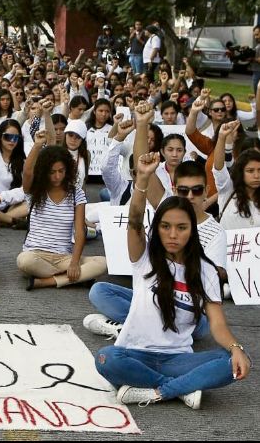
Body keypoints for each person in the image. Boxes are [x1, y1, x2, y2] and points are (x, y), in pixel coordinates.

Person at [92, 151, 250, 410]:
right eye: (165, 226)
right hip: (135, 352)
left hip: (178, 358)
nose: (173, 234)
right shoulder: (145, 257)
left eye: (181, 227)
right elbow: (134, 221)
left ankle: (158, 391)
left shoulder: (206, 269)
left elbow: (217, 323)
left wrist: (235, 347)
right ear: (157, 229)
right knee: (106, 358)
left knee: (234, 361)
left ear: (192, 230)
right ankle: (182, 388)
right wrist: (143, 179)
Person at [16, 132, 107, 289]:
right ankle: (75, 278)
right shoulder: (36, 189)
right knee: (24, 261)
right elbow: (27, 172)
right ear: (44, 171)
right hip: (35, 255)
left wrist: (74, 262)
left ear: (68, 170)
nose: (57, 176)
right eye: (52, 172)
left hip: (64, 257)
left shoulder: (76, 193)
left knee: (103, 263)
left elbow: (80, 231)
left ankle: (46, 281)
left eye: (61, 171)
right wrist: (37, 145)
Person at [212, 120, 260, 230]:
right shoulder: (228, 190)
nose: (256, 176)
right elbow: (219, 169)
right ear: (241, 171)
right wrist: (221, 137)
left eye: (259, 170)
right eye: (250, 171)